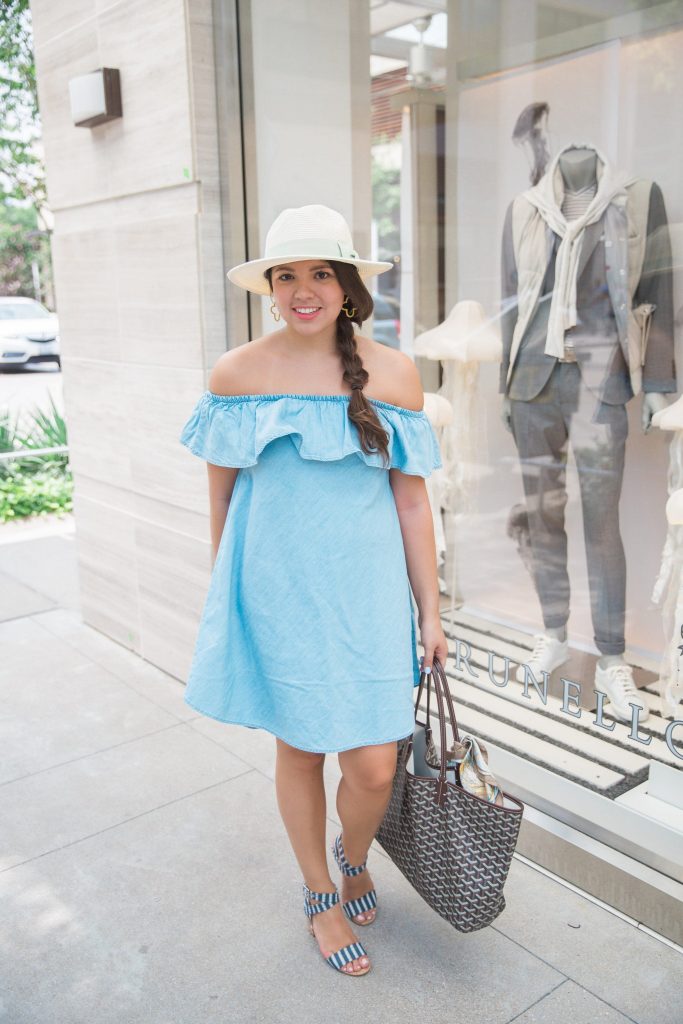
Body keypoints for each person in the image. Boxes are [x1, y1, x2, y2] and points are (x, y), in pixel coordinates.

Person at [179, 204, 447, 977]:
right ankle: (319, 893)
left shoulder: (394, 375)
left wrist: (431, 610)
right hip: (278, 592)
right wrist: (227, 598)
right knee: (299, 751)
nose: (303, 289)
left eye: (320, 273)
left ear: (347, 285)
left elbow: (409, 501)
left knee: (371, 766)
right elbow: (222, 502)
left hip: (365, 596)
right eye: (287, 274)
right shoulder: (236, 373)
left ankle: (353, 853)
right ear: (268, 285)